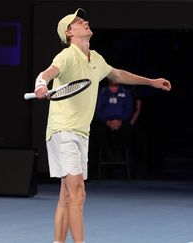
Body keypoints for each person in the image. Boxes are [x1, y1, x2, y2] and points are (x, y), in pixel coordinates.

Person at [33, 8, 171, 243]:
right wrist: (40, 84)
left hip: (80, 132)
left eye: (84, 19)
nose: (85, 21)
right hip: (63, 130)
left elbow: (117, 74)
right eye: (78, 21)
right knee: (78, 194)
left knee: (67, 195)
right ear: (69, 33)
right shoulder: (67, 55)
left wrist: (151, 82)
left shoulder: (95, 58)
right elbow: (47, 73)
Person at [94, 78, 134, 162]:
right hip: (105, 122)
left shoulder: (125, 91)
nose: (114, 79)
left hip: (122, 122)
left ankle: (121, 156)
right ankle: (108, 157)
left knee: (130, 133)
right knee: (98, 133)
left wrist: (120, 121)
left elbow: (129, 109)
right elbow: (97, 110)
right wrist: (107, 122)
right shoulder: (102, 92)